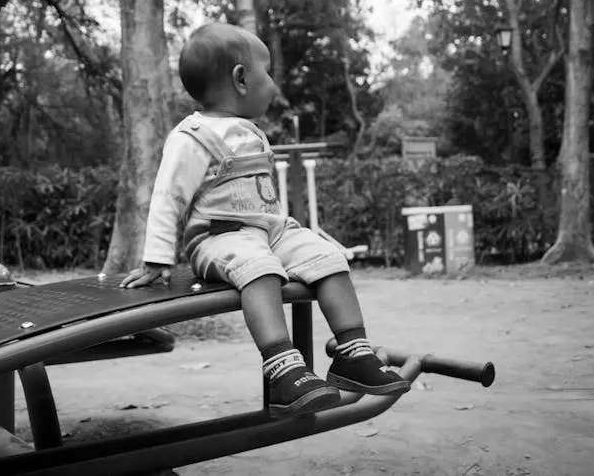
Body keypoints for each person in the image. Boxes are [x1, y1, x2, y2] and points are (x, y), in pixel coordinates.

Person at [121, 22, 410, 418]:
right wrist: (157, 258)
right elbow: (167, 197)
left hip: (268, 232)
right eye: (267, 72)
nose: (273, 84)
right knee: (260, 268)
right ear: (242, 79)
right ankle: (282, 369)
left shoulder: (249, 132)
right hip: (218, 238)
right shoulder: (192, 136)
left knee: (327, 255)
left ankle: (352, 354)